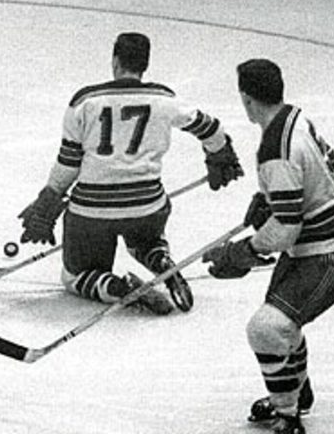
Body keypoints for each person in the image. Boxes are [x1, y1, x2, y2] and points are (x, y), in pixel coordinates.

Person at [16, 32, 244, 315]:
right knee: (144, 240)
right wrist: (218, 155)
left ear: (115, 61)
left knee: (75, 276)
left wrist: (48, 200)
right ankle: (160, 261)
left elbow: (69, 163)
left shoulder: (85, 101)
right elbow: (210, 128)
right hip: (148, 206)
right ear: (145, 64)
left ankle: (121, 288)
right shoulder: (163, 98)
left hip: (93, 211)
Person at [202, 58, 334, 434]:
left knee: (268, 328)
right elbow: (329, 161)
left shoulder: (275, 149)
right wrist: (269, 198)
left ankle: (287, 415)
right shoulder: (295, 117)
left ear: (246, 98)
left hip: (327, 253)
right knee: (283, 323)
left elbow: (287, 227)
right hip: (322, 244)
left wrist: (242, 252)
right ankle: (296, 393)